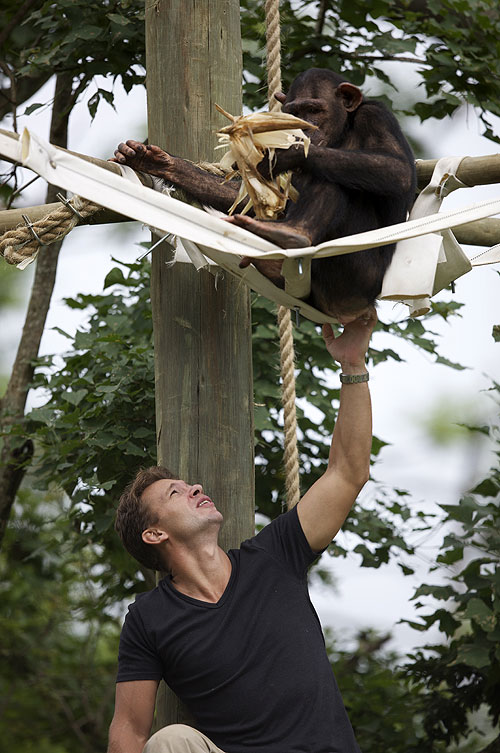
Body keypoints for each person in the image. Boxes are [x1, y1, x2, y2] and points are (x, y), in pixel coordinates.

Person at [108, 310, 377, 753]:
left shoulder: (273, 556)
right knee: (170, 742)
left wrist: (352, 366)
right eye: (175, 493)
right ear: (153, 534)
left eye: (189, 484)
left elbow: (348, 473)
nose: (195, 487)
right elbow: (129, 733)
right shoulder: (148, 620)